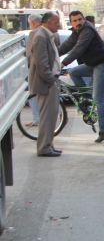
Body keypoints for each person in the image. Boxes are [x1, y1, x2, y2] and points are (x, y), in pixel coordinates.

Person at [59, 10, 104, 142]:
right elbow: (67, 45)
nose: (78, 22)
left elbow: (79, 49)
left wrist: (63, 63)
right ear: (71, 22)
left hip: (102, 65)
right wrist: (53, 54)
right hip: (92, 64)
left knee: (98, 97)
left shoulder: (87, 30)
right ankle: (87, 99)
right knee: (73, 72)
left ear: (83, 20)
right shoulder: (76, 31)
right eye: (75, 21)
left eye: (80, 19)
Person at [28, 12, 62, 157]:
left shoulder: (47, 35)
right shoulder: (40, 36)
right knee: (47, 118)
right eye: (56, 22)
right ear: (47, 22)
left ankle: (49, 144)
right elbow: (41, 64)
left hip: (51, 80)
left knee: (52, 117)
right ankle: (44, 147)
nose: (58, 25)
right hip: (46, 83)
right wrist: (51, 80)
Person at [25, 14, 43, 127]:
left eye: (29, 23)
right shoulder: (47, 31)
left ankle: (36, 119)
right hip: (45, 68)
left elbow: (29, 53)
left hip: (35, 69)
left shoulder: (33, 33)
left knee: (32, 94)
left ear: (33, 23)